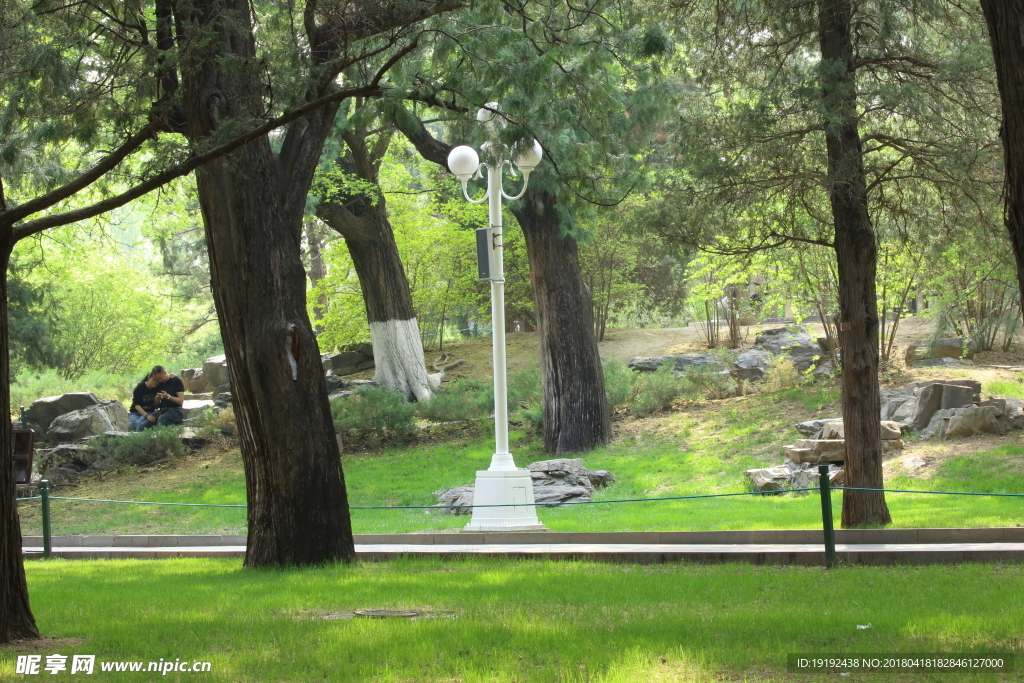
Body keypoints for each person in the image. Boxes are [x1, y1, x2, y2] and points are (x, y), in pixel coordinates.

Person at [128, 366, 186, 430]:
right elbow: (155, 406)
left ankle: (160, 438)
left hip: (175, 410)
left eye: (160, 378)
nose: (159, 381)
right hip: (162, 411)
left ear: (164, 373)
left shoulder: (176, 381)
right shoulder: (158, 383)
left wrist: (168, 397)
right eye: (157, 380)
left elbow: (180, 401)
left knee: (162, 420)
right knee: (143, 426)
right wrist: (157, 401)